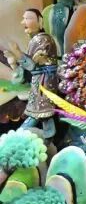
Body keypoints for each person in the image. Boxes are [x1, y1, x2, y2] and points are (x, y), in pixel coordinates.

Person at [4, 9, 58, 138]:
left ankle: (18, 137)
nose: (23, 22)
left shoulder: (42, 40)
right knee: (45, 116)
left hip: (44, 83)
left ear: (40, 21)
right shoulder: (36, 39)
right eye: (23, 19)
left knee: (39, 112)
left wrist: (17, 52)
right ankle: (48, 138)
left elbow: (32, 66)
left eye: (27, 18)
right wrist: (13, 60)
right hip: (41, 82)